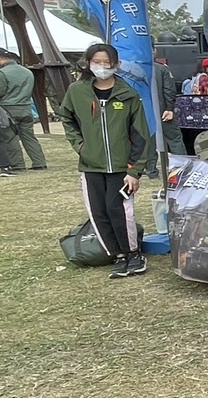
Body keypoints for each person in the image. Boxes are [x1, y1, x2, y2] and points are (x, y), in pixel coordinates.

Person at [57, 43, 150, 277]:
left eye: (106, 62)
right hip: (91, 165)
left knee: (118, 209)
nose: (102, 66)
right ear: (88, 63)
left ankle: (133, 253)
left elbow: (140, 135)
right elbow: (66, 117)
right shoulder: (77, 91)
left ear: (116, 64)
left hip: (121, 167)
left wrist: (135, 170)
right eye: (96, 62)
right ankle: (117, 255)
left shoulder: (127, 94)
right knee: (98, 212)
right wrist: (80, 145)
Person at [0, 50, 47, 173]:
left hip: (7, 109)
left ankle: (18, 165)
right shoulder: (27, 72)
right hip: (26, 107)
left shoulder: (2, 73)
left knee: (10, 138)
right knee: (29, 137)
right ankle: (39, 162)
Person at [145, 51, 187, 176]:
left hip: (144, 112)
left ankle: (151, 170)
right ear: (154, 50)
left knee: (148, 141)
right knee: (174, 139)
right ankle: (182, 167)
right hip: (163, 110)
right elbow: (169, 90)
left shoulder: (135, 70)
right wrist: (169, 108)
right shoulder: (162, 69)